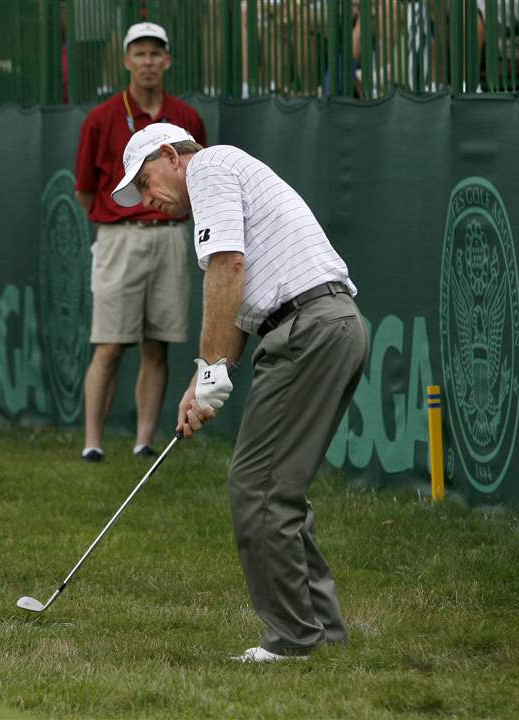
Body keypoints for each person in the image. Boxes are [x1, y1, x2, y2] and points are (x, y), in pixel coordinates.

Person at [111, 122, 368, 662]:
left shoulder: (208, 168)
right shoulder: (227, 169)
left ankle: (293, 641)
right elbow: (239, 299)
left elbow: (227, 266)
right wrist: (202, 381)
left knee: (258, 486)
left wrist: (209, 368)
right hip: (327, 324)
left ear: (169, 155)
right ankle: (321, 633)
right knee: (280, 487)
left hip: (308, 330)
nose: (148, 201)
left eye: (145, 183)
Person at [74, 22, 207, 463]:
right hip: (119, 237)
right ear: (127, 60)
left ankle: (144, 440)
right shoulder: (101, 118)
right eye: (140, 53)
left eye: (156, 53)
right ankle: (93, 442)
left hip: (170, 235)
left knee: (157, 344)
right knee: (109, 345)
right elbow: (85, 189)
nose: (148, 61)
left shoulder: (186, 118)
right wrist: (120, 218)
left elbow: (201, 179)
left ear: (167, 60)